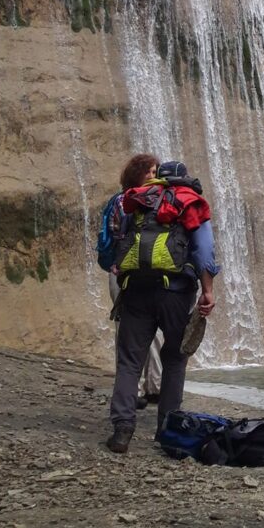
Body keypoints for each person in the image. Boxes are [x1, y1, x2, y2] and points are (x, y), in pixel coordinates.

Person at [105, 158, 219, 454]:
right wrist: (208, 290)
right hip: (175, 292)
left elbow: (122, 240)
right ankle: (167, 430)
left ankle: (123, 428)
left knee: (130, 361)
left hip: (135, 290)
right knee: (174, 358)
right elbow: (204, 250)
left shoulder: (138, 200)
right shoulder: (189, 202)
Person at [98, 153, 163, 410]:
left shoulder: (126, 201)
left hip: (131, 271)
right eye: (147, 171)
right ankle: (140, 388)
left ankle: (151, 385)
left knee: (143, 327)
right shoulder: (125, 201)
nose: (152, 176)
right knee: (131, 327)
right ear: (135, 174)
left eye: (155, 171)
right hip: (126, 273)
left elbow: (113, 236)